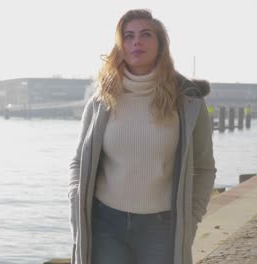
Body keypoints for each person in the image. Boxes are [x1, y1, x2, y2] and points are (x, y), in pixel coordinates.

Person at [68, 9, 216, 264]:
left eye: (146, 34)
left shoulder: (189, 101)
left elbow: (204, 168)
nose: (137, 41)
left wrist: (190, 217)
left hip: (162, 227)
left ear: (160, 45)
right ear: (120, 45)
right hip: (105, 225)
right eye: (128, 35)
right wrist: (75, 197)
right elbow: (78, 160)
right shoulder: (101, 100)